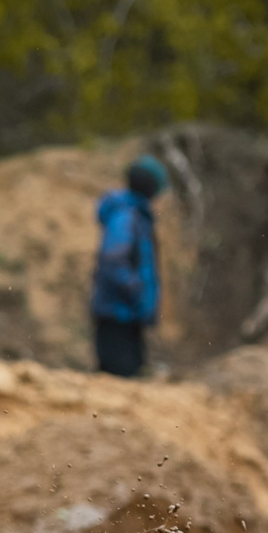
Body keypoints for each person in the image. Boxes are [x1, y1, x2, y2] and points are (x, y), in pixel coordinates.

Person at [90, 156, 166, 379]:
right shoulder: (126, 216)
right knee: (118, 378)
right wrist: (136, 291)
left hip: (127, 314)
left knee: (131, 374)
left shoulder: (135, 215)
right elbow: (113, 259)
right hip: (118, 313)